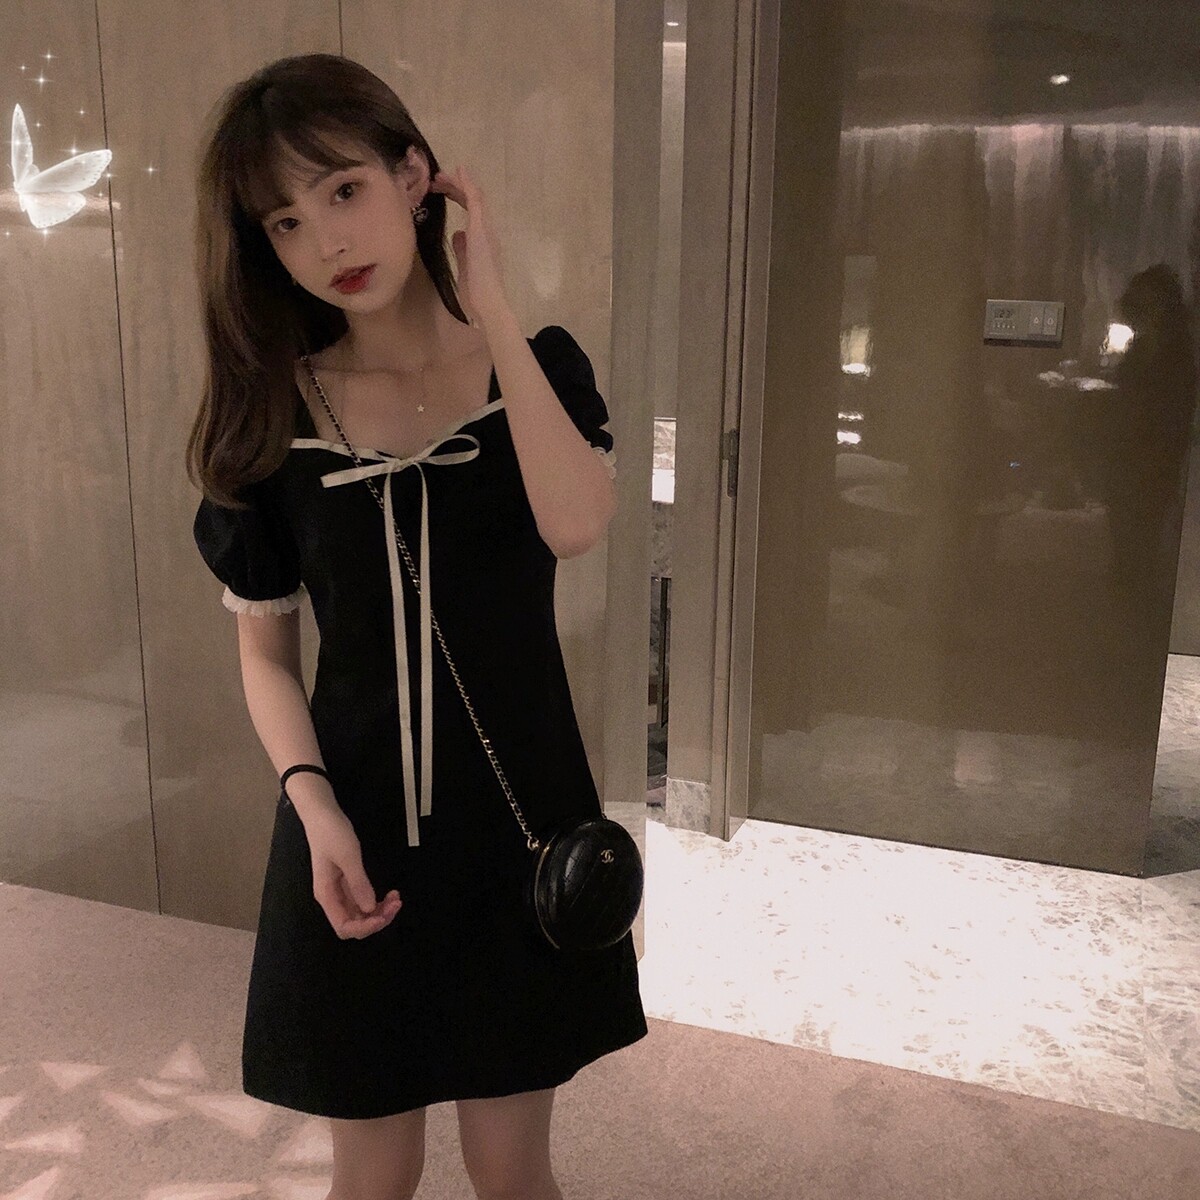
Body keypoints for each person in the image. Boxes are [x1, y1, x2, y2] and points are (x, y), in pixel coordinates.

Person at [185, 53, 647, 1200]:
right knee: (374, 1176)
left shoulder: (532, 370)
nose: (327, 241)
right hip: (353, 831)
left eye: (343, 190)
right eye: (286, 221)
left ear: (413, 178)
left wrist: (492, 307)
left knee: (511, 1172)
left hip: (517, 823)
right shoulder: (274, 422)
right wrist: (313, 808)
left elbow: (579, 524)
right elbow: (265, 656)